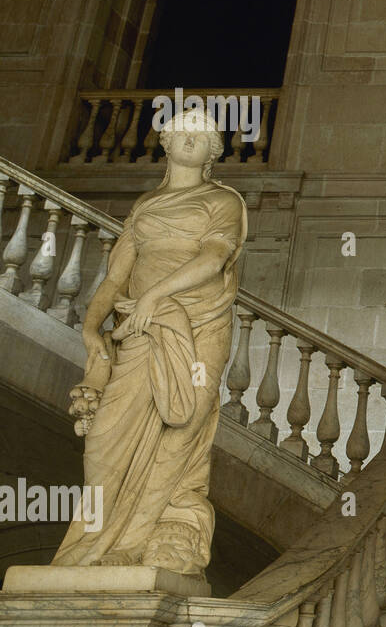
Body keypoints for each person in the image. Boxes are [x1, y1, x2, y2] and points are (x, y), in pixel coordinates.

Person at [54, 107, 247, 577]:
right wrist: (89, 327)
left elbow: (213, 259)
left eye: (201, 134)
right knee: (103, 439)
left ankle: (139, 539)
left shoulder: (222, 201)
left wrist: (156, 294)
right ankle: (93, 540)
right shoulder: (144, 206)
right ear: (165, 142)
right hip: (138, 329)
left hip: (198, 328)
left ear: (212, 152)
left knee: (181, 428)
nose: (189, 137)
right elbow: (116, 275)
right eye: (181, 130)